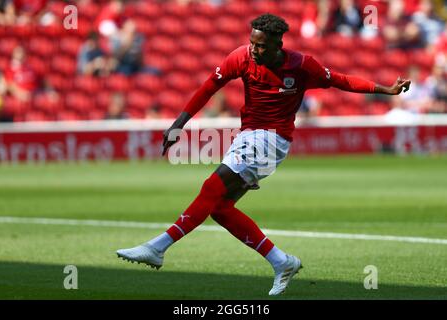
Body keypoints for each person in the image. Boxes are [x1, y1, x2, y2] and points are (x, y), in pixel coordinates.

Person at [116, 14, 411, 295]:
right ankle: (282, 262)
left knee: (210, 188)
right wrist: (178, 124)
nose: (255, 50)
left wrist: (385, 90)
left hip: (273, 140)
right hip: (248, 137)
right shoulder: (242, 57)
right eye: (253, 43)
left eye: (261, 46)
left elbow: (340, 80)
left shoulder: (302, 65)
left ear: (278, 45)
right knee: (219, 208)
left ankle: (158, 247)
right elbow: (209, 86)